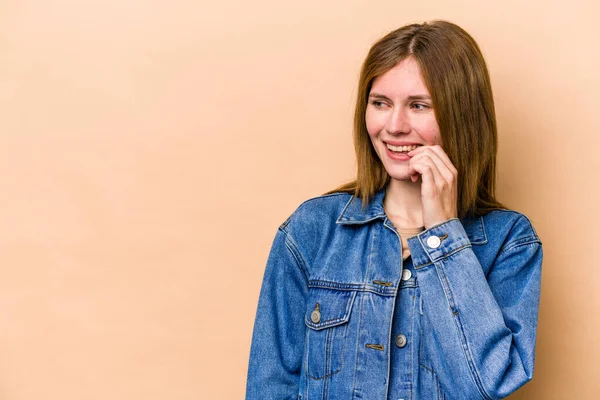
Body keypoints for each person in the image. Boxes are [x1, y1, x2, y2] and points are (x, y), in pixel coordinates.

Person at [246, 20, 542, 400]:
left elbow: (486, 384)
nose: (394, 126)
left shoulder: (510, 244)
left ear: (461, 115)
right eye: (380, 103)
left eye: (419, 105)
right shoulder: (311, 230)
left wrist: (443, 236)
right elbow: (269, 388)